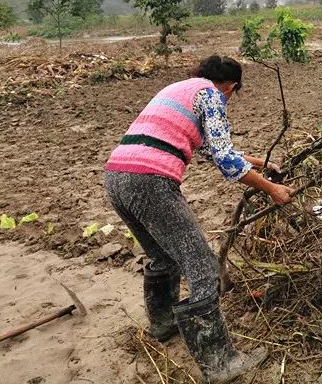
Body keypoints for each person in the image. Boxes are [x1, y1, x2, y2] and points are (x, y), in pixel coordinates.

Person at [104, 55, 294, 383]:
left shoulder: (179, 88)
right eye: (234, 93)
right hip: (151, 180)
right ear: (232, 86)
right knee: (203, 268)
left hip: (116, 177)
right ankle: (221, 365)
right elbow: (224, 159)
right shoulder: (212, 96)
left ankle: (163, 325)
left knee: (163, 257)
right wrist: (271, 189)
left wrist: (258, 162)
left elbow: (207, 149)